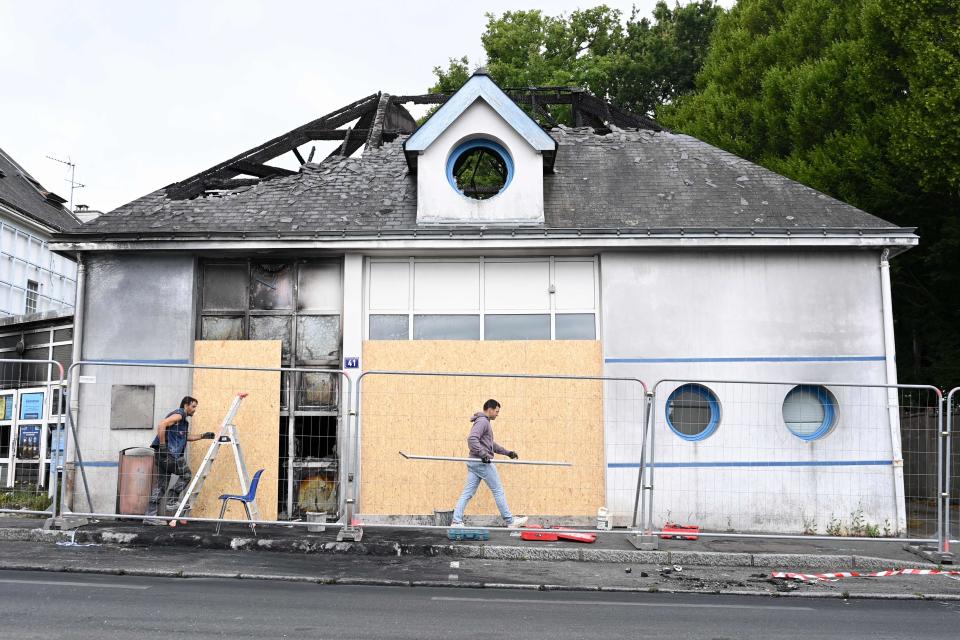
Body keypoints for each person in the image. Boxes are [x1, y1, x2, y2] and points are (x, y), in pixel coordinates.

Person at [451, 399, 528, 528]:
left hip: (474, 462)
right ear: (490, 409)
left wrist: (507, 453)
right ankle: (510, 521)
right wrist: (483, 454)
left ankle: (456, 521)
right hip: (481, 463)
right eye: (497, 411)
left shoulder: (483, 422)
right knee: (498, 490)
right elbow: (472, 439)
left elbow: (491, 445)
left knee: (467, 493)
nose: (498, 414)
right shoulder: (483, 422)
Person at [143, 396, 213, 526]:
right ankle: (171, 500)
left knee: (161, 486)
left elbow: (186, 437)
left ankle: (150, 516)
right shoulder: (179, 415)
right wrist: (163, 446)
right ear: (186, 405)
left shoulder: (183, 422)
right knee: (186, 474)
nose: (195, 409)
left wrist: (203, 436)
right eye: (193, 406)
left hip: (164, 454)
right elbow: (162, 424)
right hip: (167, 453)